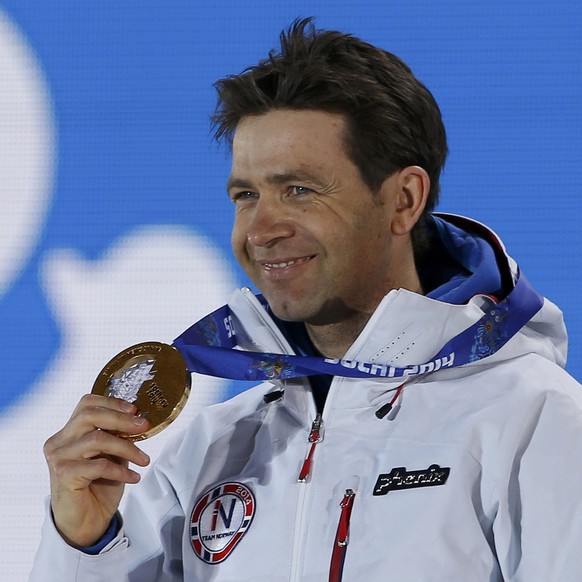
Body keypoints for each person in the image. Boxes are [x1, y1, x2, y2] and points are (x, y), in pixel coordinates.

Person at [31, 18, 582, 581]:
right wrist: (85, 547)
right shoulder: (209, 451)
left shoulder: (535, 422)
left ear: (403, 199)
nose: (262, 228)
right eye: (247, 195)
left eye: (299, 190)